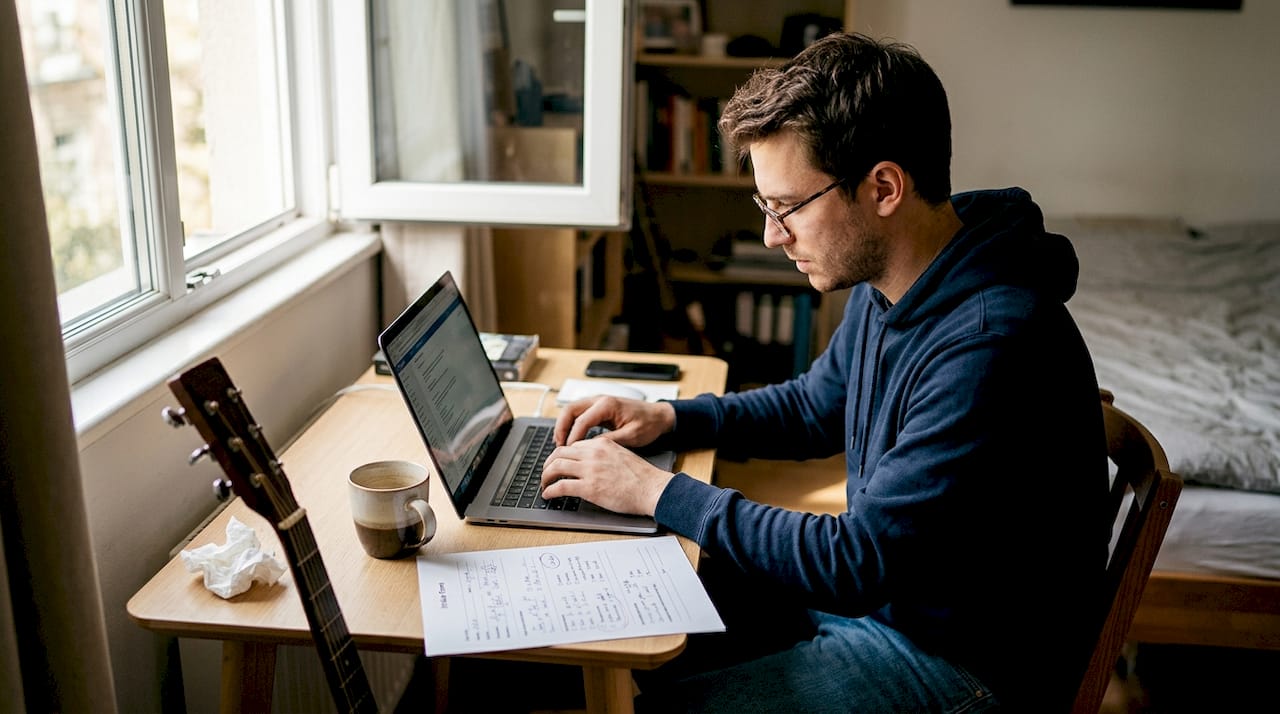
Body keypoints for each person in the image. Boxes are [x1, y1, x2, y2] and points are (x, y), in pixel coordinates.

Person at [540, 32, 1110, 712]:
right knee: (639, 604)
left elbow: (855, 562)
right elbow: (817, 406)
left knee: (662, 699)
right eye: (766, 208)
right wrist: (674, 418)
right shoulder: (900, 274)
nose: (771, 236)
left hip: (964, 663)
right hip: (895, 604)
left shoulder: (992, 344)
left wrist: (658, 493)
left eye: (787, 207)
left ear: (884, 188)